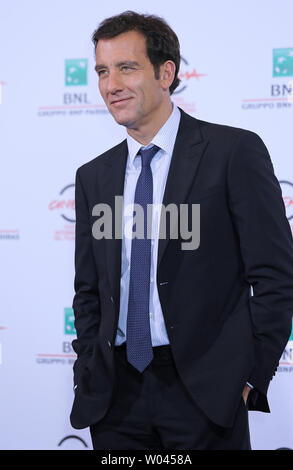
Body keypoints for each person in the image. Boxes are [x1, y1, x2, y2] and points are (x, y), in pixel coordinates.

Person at [69, 11, 293, 450]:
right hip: (115, 399)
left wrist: (250, 376)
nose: (110, 84)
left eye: (126, 67)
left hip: (204, 395)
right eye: (102, 71)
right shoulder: (93, 176)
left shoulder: (233, 153)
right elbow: (89, 289)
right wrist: (88, 370)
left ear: (166, 72)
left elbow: (275, 276)